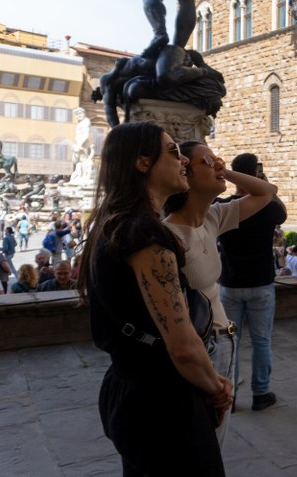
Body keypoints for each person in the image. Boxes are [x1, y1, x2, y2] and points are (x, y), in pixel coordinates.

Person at [78, 121, 232, 475]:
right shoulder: (146, 234)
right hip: (163, 403)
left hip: (130, 389)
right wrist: (215, 386)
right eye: (173, 151)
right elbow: (181, 344)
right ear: (142, 163)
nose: (183, 162)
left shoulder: (112, 223)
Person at [164, 141, 277, 443]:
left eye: (218, 159)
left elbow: (268, 192)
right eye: (206, 161)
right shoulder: (168, 236)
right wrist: (209, 379)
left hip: (221, 342)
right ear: (183, 174)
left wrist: (224, 170)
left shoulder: (212, 217)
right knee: (200, 443)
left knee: (216, 441)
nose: (216, 165)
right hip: (200, 350)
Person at [216, 152, 288, 412]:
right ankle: (261, 393)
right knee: (261, 342)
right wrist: (263, 183)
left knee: (230, 343)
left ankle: (230, 397)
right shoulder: (268, 207)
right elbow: (282, 210)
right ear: (256, 175)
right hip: (260, 283)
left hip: (230, 284)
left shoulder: (221, 205)